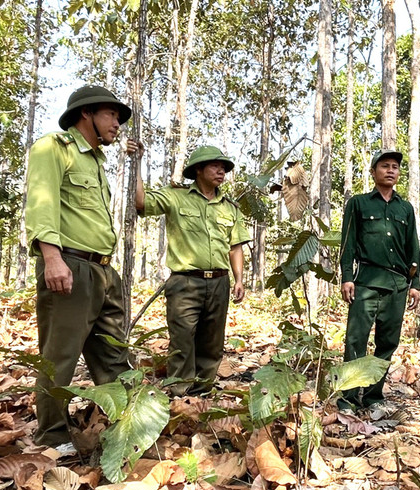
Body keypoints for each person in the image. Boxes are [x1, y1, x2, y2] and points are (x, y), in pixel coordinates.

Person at [26, 85, 140, 448]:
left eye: (119, 118)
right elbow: (42, 203)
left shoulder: (97, 162)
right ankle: (52, 437)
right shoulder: (54, 148)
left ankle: (130, 427)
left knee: (113, 354)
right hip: (70, 265)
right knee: (60, 356)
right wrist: (52, 258)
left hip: (103, 271)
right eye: (111, 115)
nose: (117, 124)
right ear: (86, 113)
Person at [136, 146, 251, 392]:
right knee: (182, 341)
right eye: (215, 166)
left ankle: (202, 394)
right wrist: (136, 162)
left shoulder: (230, 207)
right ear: (198, 169)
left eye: (224, 167)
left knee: (212, 344)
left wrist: (239, 279)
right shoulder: (176, 196)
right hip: (185, 283)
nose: (221, 171)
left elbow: (235, 247)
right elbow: (141, 202)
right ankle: (180, 394)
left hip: (219, 282)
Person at [339, 149, 420, 410]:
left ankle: (373, 396)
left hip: (397, 285)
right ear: (374, 171)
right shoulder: (358, 203)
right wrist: (347, 277)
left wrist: (415, 284)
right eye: (385, 166)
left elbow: (413, 248)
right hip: (365, 282)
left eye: (395, 167)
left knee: (388, 342)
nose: (390, 171)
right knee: (356, 340)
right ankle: (348, 397)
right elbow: (347, 243)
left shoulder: (405, 208)